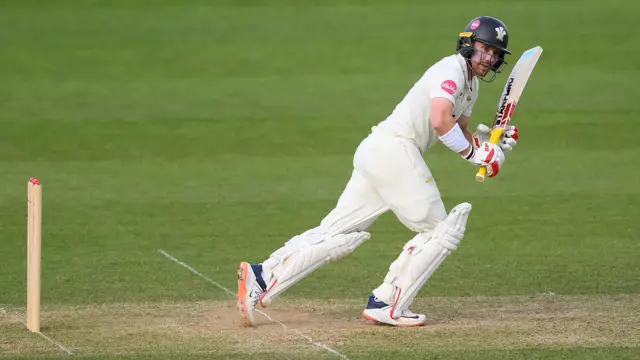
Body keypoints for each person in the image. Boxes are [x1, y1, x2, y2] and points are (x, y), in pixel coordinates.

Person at [237, 16, 519, 327]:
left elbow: (459, 129)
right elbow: (440, 121)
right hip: (395, 150)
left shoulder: (472, 85)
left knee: (335, 232)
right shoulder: (449, 70)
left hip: (380, 153)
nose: (489, 58)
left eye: (494, 54)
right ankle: (387, 302)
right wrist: (476, 153)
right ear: (468, 44)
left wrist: (487, 147)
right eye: (484, 49)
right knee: (440, 230)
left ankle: (261, 275)